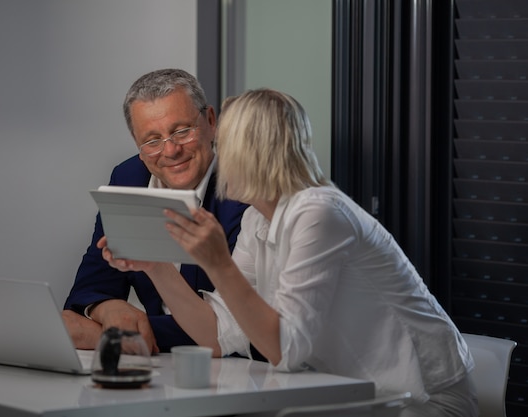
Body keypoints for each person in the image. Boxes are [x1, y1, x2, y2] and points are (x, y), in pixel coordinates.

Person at [99, 88, 478, 416]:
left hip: (419, 400)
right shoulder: (258, 222)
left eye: (225, 142)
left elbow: (288, 350)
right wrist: (156, 267)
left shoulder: (319, 212)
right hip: (349, 395)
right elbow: (214, 338)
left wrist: (217, 262)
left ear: (253, 152)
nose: (217, 152)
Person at [62, 69, 248, 354]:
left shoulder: (243, 190)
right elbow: (93, 282)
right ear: (138, 145)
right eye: (152, 140)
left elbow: (232, 327)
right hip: (161, 370)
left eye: (182, 131)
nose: (171, 150)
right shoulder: (128, 177)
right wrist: (107, 308)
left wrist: (107, 337)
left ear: (211, 122)